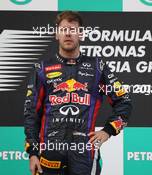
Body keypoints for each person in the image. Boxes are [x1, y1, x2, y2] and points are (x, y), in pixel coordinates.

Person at [24, 11, 132, 175]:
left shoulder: (98, 67)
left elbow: (124, 101)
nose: (68, 33)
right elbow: (31, 113)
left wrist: (108, 130)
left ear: (81, 34)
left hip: (85, 153)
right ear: (56, 34)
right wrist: (32, 152)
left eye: (73, 29)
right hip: (50, 151)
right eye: (64, 29)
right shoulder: (41, 69)